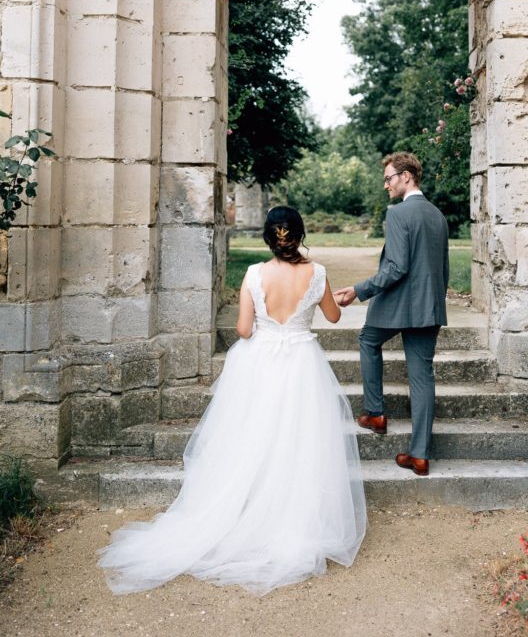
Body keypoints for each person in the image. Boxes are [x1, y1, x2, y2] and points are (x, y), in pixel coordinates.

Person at [98, 206, 366, 596]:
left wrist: (264, 323)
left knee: (253, 435)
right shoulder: (317, 273)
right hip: (302, 363)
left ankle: (245, 510)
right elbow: (334, 317)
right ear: (299, 235)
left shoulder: (254, 274)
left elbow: (243, 329)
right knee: (299, 438)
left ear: (269, 237)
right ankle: (291, 516)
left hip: (260, 363)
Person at [335, 152, 449, 477]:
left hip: (397, 305)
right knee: (422, 377)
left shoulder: (398, 214)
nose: (386, 185)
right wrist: (435, 303)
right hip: (429, 307)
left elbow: (397, 267)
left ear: (406, 176)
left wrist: (359, 290)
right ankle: (420, 456)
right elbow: (443, 269)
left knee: (368, 340)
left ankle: (375, 412)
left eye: (389, 178)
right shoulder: (438, 215)